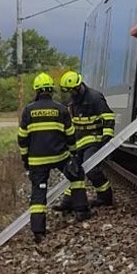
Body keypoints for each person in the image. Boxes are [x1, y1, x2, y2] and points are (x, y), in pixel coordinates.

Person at [18, 72, 88, 244]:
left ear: (36, 90)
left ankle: (38, 231)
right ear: (51, 90)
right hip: (59, 156)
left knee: (38, 193)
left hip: (37, 160)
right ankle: (81, 211)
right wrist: (73, 156)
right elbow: (70, 135)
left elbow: (22, 138)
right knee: (77, 176)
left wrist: (25, 159)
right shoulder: (61, 109)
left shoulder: (28, 110)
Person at [57, 71, 115, 209]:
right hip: (78, 142)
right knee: (73, 170)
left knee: (92, 170)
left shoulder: (95, 97)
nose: (70, 94)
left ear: (78, 87)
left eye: (71, 91)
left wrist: (107, 137)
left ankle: (105, 197)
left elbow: (108, 117)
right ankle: (68, 201)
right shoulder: (71, 102)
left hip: (94, 140)